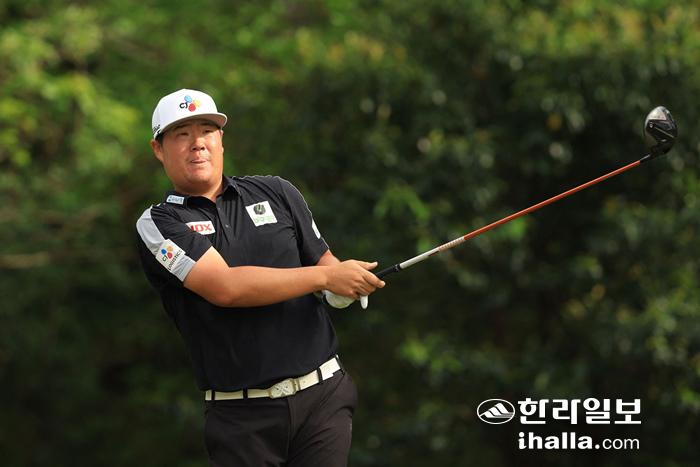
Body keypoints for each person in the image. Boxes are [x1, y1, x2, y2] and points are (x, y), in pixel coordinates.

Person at [135, 88, 384, 466]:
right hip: (241, 419)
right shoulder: (159, 223)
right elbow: (226, 288)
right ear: (158, 149)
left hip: (323, 397)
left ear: (221, 139)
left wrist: (342, 288)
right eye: (182, 134)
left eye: (207, 131)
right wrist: (326, 279)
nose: (197, 143)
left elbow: (326, 265)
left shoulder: (277, 191)